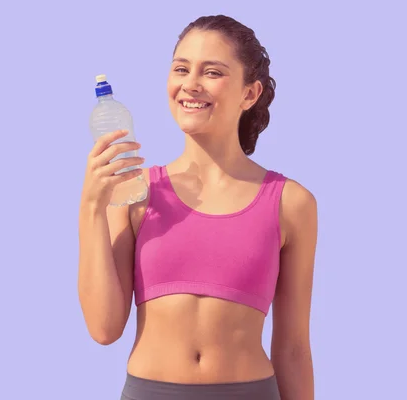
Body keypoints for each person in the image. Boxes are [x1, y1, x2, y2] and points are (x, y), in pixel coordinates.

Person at [78, 14, 317, 400]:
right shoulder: (136, 192)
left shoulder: (291, 202)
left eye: (212, 72)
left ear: (249, 94)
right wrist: (91, 207)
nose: (191, 84)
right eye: (181, 69)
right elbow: (103, 328)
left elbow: (293, 348)